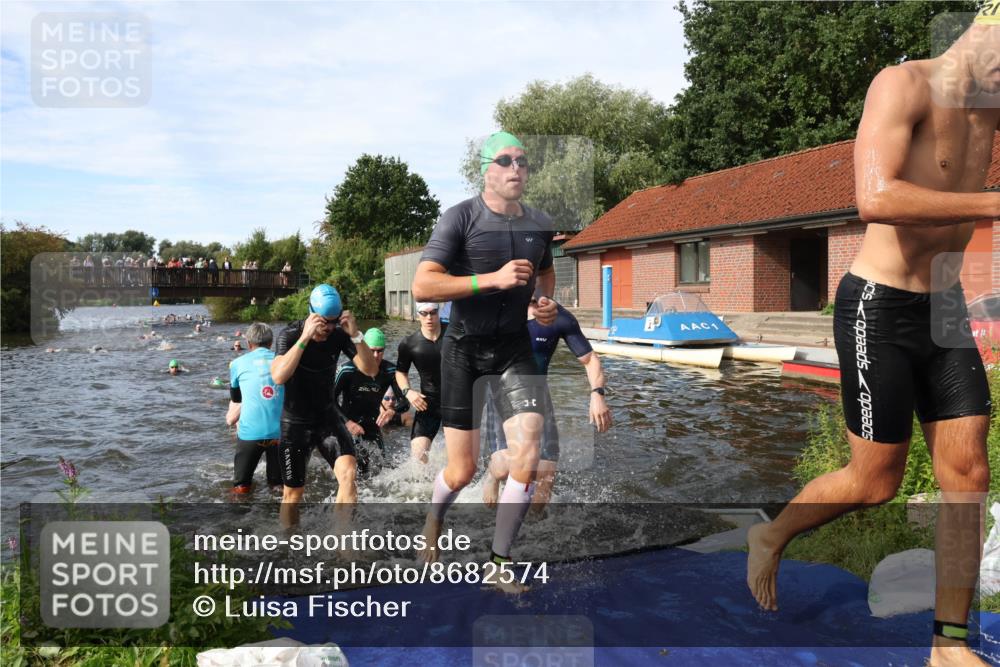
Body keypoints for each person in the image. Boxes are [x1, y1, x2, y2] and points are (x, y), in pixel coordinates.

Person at [746, 14, 997, 665]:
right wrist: (993, 203)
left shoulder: (989, 111)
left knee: (968, 472)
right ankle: (771, 533)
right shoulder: (902, 85)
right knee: (874, 481)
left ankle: (948, 645)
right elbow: (876, 197)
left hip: (945, 307)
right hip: (877, 307)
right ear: (984, 32)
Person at [411, 131, 557, 583]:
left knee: (527, 454)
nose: (516, 168)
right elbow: (422, 285)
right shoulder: (460, 218)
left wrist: (544, 303)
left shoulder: (539, 224)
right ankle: (434, 519)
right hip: (464, 350)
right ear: (485, 171)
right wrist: (490, 279)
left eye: (523, 161)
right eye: (505, 160)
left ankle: (500, 563)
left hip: (514, 347)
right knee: (462, 471)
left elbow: (546, 273)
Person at [481, 298, 612, 510]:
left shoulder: (558, 316)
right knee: (504, 468)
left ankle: (535, 525)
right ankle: (492, 474)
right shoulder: (497, 308)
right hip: (501, 394)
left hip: (537, 394)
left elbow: (590, 359)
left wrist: (597, 393)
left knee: (546, 473)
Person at [270, 284, 377, 528]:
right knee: (293, 495)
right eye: (324, 322)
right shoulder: (290, 334)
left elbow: (370, 369)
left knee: (349, 474)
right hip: (295, 423)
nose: (329, 328)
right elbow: (278, 376)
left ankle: (342, 539)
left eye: (334, 321)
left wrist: (356, 335)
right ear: (312, 314)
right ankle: (289, 542)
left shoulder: (339, 335)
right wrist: (305, 338)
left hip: (327, 419)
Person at [333, 328, 410, 477]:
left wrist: (392, 411)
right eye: (372, 350)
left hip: (372, 425)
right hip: (348, 425)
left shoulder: (390, 371)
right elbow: (329, 401)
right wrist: (348, 423)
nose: (375, 355)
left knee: (382, 473)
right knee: (352, 473)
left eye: (380, 351)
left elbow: (405, 401)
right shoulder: (346, 370)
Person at [225, 323, 283, 494]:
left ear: (249, 343)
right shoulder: (284, 361)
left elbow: (236, 398)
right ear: (271, 343)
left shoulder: (237, 363)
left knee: (241, 487)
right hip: (280, 433)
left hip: (250, 433)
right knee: (278, 487)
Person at [395, 301, 447, 463]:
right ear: (418, 315)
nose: (429, 317)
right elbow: (400, 372)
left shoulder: (453, 335)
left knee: (457, 459)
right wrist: (408, 392)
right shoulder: (409, 343)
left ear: (439, 312)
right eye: (424, 314)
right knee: (418, 457)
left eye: (433, 313)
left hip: (455, 402)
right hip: (427, 403)